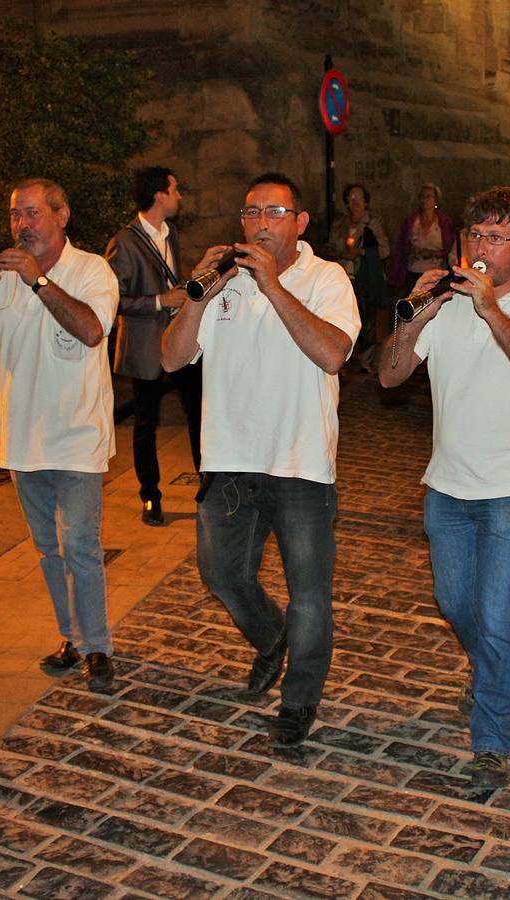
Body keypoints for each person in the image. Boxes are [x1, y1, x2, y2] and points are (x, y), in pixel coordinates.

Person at [379, 186, 510, 791]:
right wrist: (413, 317)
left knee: (497, 615)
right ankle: (494, 668)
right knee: (455, 602)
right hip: (448, 484)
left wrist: (493, 311)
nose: (481, 248)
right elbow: (388, 376)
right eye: (475, 236)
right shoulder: (446, 302)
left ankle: (493, 734)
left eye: (495, 238)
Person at [161, 172, 360, 748]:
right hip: (229, 458)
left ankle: (299, 701)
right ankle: (272, 638)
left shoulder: (328, 279)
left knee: (310, 592)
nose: (261, 222)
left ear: (300, 223)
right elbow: (172, 358)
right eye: (251, 212)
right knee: (221, 573)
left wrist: (273, 285)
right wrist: (200, 289)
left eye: (275, 212)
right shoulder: (222, 280)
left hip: (299, 461)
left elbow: (332, 353)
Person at [0, 178, 119, 691]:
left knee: (82, 546)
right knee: (49, 550)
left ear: (62, 215)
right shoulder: (2, 280)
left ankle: (99, 648)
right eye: (15, 215)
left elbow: (91, 330)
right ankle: (71, 637)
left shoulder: (92, 270)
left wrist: (39, 283)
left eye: (32, 213)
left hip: (77, 437)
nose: (22, 224)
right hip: (24, 440)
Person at [105, 166, 202, 526]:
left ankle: (207, 486)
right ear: (160, 195)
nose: (179, 196)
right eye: (175, 190)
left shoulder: (171, 232)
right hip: (146, 346)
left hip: (179, 340)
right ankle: (150, 497)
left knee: (198, 414)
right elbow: (113, 299)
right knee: (146, 422)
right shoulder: (124, 242)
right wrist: (160, 301)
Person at [326, 182, 390, 369]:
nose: (354, 201)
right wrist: (343, 254)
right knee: (340, 317)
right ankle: (344, 357)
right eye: (350, 197)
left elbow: (385, 250)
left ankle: (366, 359)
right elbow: (328, 248)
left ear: (366, 201)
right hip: (342, 274)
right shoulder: (340, 223)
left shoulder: (372, 223)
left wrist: (362, 252)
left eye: (358, 197)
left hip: (364, 275)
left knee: (366, 317)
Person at [389, 184, 456, 297]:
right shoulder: (411, 221)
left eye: (429, 196)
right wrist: (412, 250)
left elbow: (450, 249)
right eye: (422, 196)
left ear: (436, 200)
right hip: (413, 271)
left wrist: (431, 253)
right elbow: (402, 245)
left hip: (436, 272)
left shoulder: (443, 222)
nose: (425, 199)